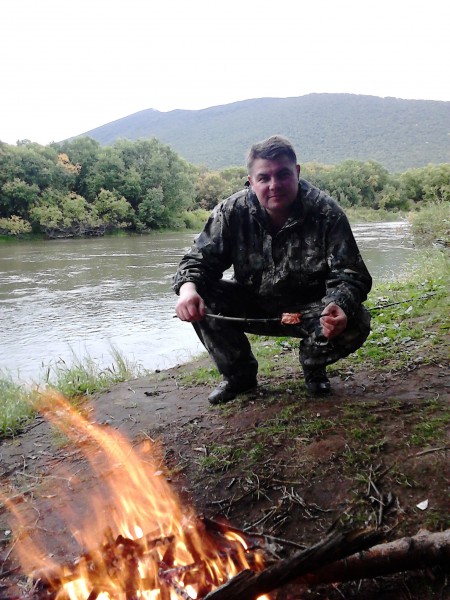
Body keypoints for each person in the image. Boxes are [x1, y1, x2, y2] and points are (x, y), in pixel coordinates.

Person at [173, 135, 372, 404]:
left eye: (283, 175)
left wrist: (339, 304)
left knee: (355, 318)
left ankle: (313, 365)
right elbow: (197, 261)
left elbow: (350, 273)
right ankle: (239, 378)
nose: (274, 185)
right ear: (251, 181)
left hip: (312, 309)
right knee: (201, 294)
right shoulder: (231, 212)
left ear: (297, 172)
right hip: (251, 304)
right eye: (264, 178)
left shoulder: (326, 212)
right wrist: (187, 292)